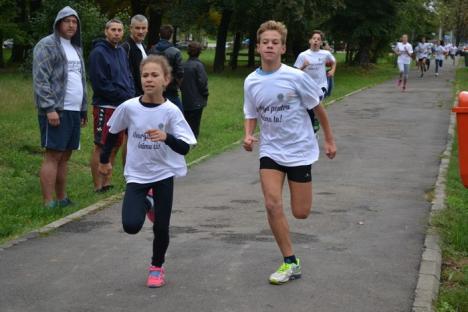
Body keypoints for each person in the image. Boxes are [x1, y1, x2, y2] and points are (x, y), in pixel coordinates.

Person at [243, 20, 336, 285]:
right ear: (259, 47)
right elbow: (251, 112)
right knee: (272, 203)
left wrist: (329, 140)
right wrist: (248, 134)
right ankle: (290, 261)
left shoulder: (296, 77)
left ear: (283, 48)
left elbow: (319, 109)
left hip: (299, 149)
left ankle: (291, 257)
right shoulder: (251, 81)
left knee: (301, 212)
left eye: (275, 42)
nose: (269, 46)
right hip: (270, 150)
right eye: (265, 42)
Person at [98, 55, 197, 288]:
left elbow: (185, 147)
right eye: (145, 75)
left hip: (163, 174)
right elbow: (112, 132)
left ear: (166, 80)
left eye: (155, 75)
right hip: (136, 174)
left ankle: (156, 267)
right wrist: (105, 160)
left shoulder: (171, 111)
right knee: (131, 226)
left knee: (161, 226)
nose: (149, 80)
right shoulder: (129, 107)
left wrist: (166, 137)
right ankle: (147, 203)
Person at [33, 6, 87, 208]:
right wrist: (49, 108)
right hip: (56, 111)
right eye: (67, 21)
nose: (71, 25)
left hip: (73, 110)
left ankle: (62, 198)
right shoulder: (46, 45)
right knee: (53, 155)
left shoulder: (76, 47)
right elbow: (40, 80)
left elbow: (80, 79)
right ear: (58, 23)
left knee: (65, 155)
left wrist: (82, 109)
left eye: (74, 22)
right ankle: (48, 202)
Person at [89, 18, 135, 193]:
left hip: (122, 106)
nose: (116, 33)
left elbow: (128, 75)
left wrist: (130, 93)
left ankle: (107, 181)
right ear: (106, 31)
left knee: (115, 145)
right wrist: (122, 95)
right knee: (101, 144)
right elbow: (100, 83)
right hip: (105, 106)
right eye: (113, 30)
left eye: (119, 30)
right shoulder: (98, 53)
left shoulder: (122, 52)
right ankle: (97, 185)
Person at [294, 30, 336, 133]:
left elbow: (334, 62)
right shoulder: (303, 55)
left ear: (321, 43)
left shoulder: (325, 54)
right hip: (307, 87)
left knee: (315, 102)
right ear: (310, 41)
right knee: (309, 108)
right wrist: (304, 66)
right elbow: (295, 73)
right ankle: (314, 125)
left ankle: (314, 125)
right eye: (314, 39)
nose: (316, 41)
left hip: (321, 85)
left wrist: (332, 70)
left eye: (318, 39)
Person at [120, 14, 149, 166]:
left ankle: (140, 168)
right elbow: (127, 75)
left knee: (141, 136)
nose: (140, 31)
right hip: (134, 98)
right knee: (130, 137)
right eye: (137, 28)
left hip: (146, 98)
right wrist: (134, 98)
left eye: (143, 28)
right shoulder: (127, 47)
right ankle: (128, 172)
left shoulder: (143, 47)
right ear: (130, 29)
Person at [149, 24, 184, 112]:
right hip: (170, 90)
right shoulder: (176, 52)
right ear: (171, 35)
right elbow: (180, 72)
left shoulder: (151, 50)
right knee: (178, 116)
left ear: (159, 35)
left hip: (155, 88)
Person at [180, 41, 209, 138]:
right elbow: (202, 82)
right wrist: (205, 93)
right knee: (195, 122)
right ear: (199, 52)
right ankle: (193, 138)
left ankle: (186, 136)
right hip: (197, 99)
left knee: (187, 120)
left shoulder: (184, 65)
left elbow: (180, 81)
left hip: (186, 98)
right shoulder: (198, 66)